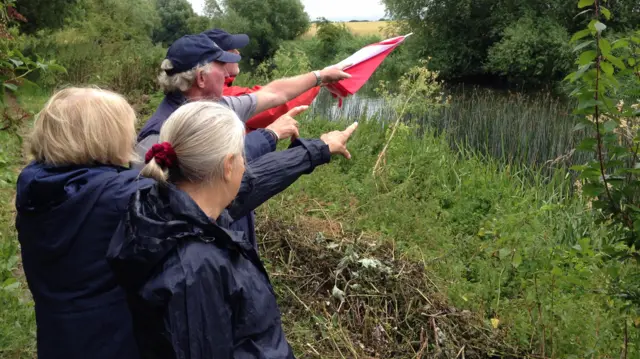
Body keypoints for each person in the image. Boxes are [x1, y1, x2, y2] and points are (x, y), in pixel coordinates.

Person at [14, 87, 354, 359]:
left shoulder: (39, 189)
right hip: (115, 345)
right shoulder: (121, 199)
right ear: (102, 137)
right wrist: (314, 150)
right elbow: (220, 189)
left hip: (60, 340)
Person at [107, 101, 358, 359]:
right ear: (228, 165)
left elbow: (254, 181)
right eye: (242, 157)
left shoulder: (165, 208)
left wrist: (319, 149)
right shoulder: (194, 268)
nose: (245, 166)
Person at [136, 33, 352, 250]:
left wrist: (320, 76)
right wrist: (273, 135)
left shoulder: (219, 106)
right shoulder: (158, 135)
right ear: (201, 78)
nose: (227, 71)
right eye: (221, 65)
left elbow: (274, 93)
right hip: (199, 253)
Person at [202, 28, 322, 132]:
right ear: (218, 59)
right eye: (232, 51)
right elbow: (272, 106)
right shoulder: (221, 95)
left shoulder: (214, 90)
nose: (238, 53)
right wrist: (316, 81)